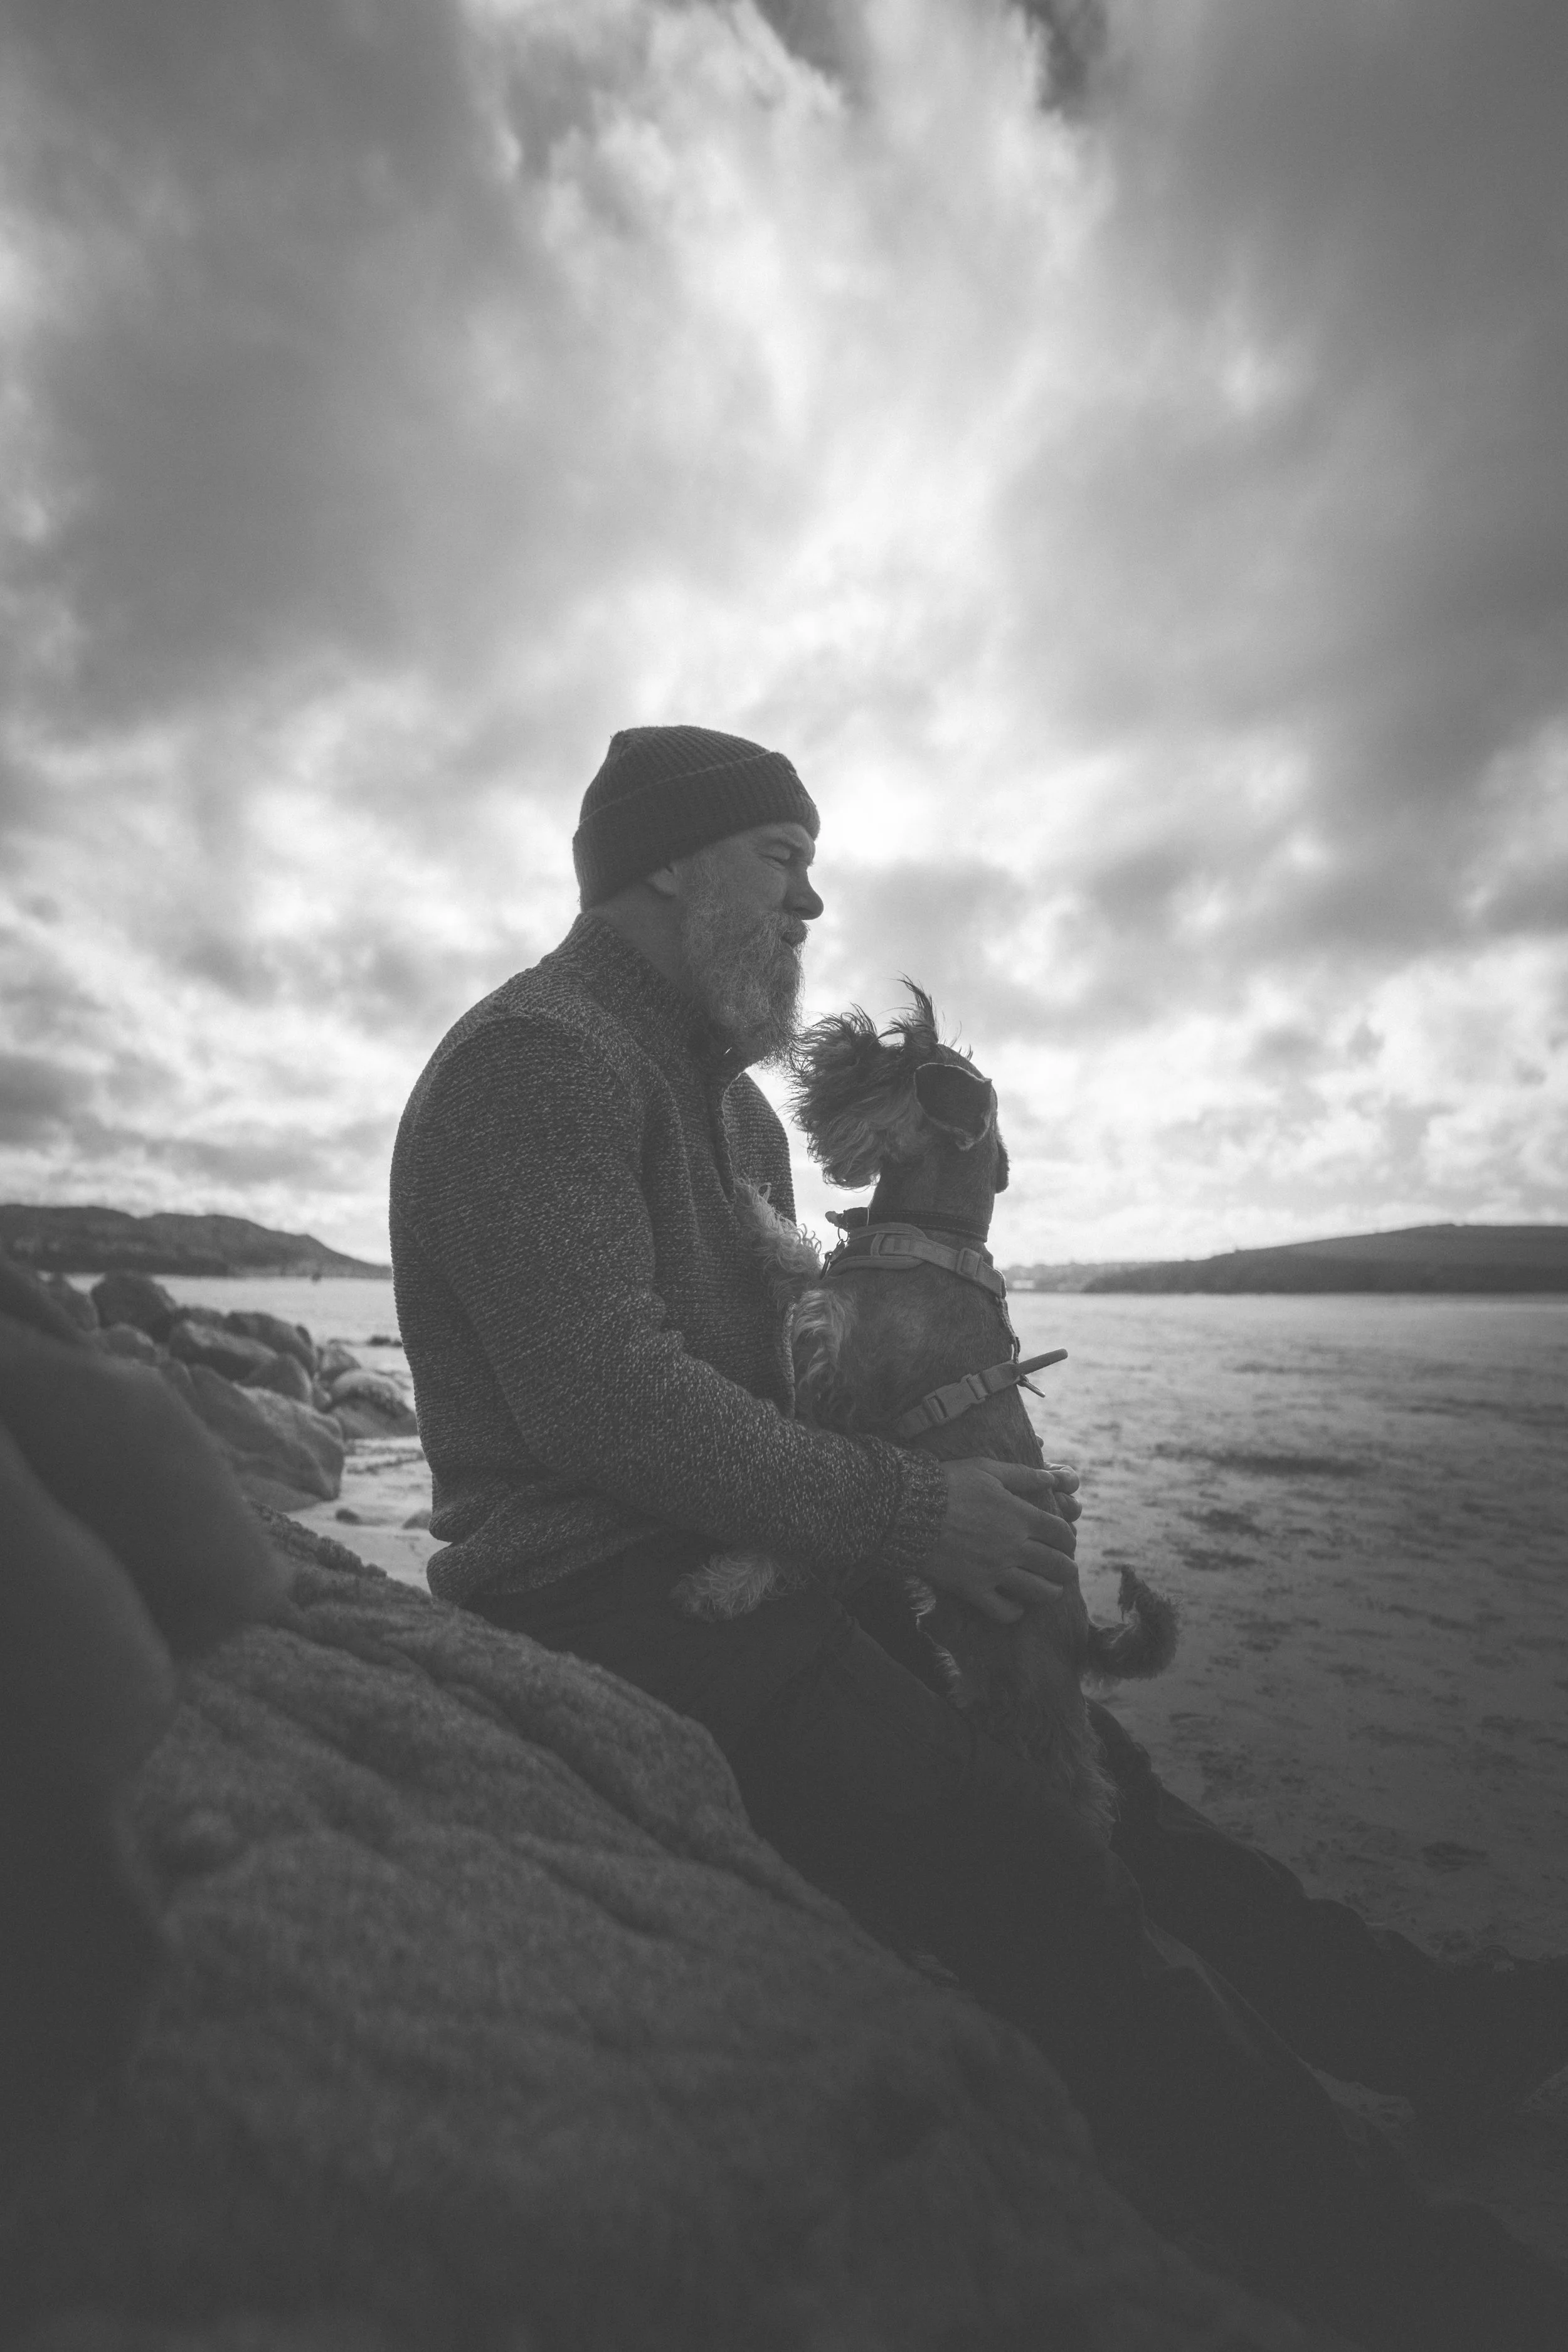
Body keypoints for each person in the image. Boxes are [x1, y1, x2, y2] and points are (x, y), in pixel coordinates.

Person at [391, 724, 1568, 2350]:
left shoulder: (731, 1117)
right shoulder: (539, 1062)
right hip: (614, 1603)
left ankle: (1423, 2027)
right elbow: (609, 1405)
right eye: (780, 866)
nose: (812, 905)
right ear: (666, 866)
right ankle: (1409, 2273)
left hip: (778, 1562)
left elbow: (778, 1382)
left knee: (1096, 1778)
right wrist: (911, 1510)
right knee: (1029, 1876)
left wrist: (939, 1495)